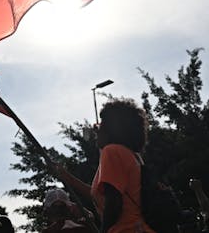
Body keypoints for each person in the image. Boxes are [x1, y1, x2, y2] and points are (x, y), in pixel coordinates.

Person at [52, 99, 154, 233]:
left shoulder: (112, 151)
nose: (96, 130)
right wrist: (67, 177)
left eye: (100, 124)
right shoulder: (132, 155)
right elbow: (101, 195)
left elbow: (113, 203)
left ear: (112, 130)